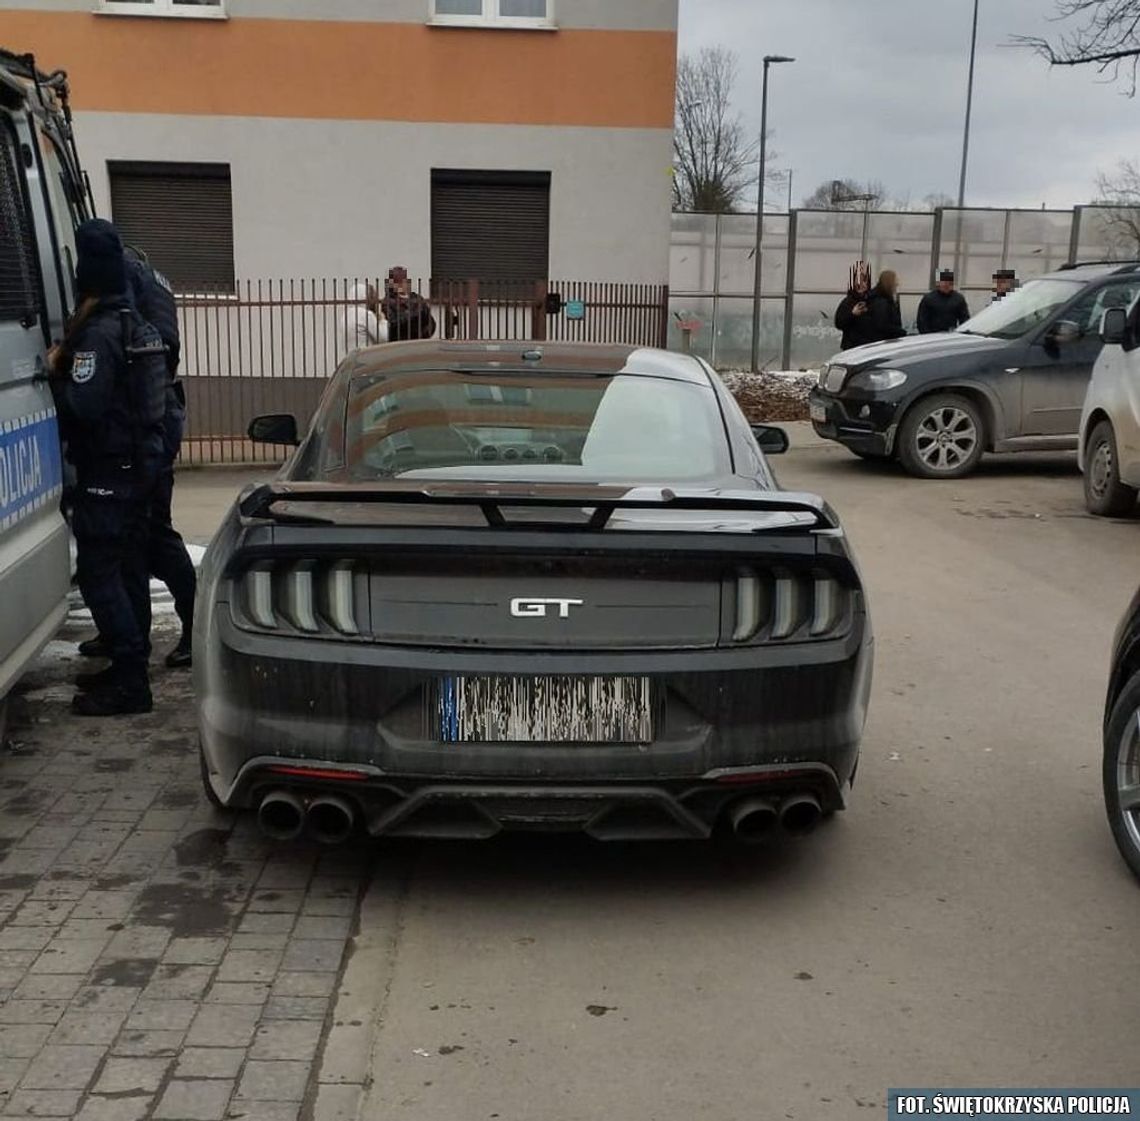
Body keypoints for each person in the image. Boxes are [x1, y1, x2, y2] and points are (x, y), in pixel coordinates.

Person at [49, 220, 167, 716]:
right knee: (127, 569)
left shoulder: (98, 334)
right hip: (137, 467)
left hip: (108, 472)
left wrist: (56, 375)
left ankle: (130, 680)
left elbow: (85, 406)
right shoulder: (135, 324)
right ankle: (127, 670)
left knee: (99, 574)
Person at [77, 247, 198, 669]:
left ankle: (183, 631)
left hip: (145, 415)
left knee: (149, 534)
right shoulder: (152, 275)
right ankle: (127, 633)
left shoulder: (126, 274)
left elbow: (121, 329)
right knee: (139, 534)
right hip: (158, 408)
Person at [381, 266, 436, 342]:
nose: (401, 284)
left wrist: (424, 334)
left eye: (403, 280)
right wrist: (415, 317)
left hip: (420, 340)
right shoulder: (388, 301)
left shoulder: (417, 298)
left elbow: (429, 320)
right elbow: (393, 322)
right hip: (400, 341)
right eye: (397, 282)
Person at [834, 260, 876, 350]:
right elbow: (839, 323)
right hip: (852, 348)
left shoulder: (873, 301)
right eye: (858, 280)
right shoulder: (848, 302)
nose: (861, 284)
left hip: (869, 348)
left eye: (864, 280)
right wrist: (852, 314)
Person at [916, 269, 971, 334]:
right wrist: (927, 336)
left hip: (951, 335)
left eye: (949, 283)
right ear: (938, 283)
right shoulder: (928, 299)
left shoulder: (958, 299)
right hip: (932, 336)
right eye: (944, 282)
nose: (947, 285)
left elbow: (965, 320)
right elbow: (922, 321)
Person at [340, 281, 389, 351]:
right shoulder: (366, 315)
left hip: (351, 356)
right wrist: (382, 320)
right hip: (365, 356)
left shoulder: (345, 316)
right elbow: (384, 338)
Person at [864, 269, 908, 344]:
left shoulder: (884, 299)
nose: (897, 284)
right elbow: (882, 325)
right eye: (895, 281)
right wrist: (901, 332)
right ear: (889, 283)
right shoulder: (881, 302)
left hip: (884, 341)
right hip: (882, 343)